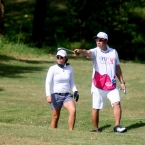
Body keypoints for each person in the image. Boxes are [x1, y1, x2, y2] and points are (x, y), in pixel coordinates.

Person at [73, 32, 127, 133]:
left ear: (106, 41)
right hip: (98, 84)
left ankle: (117, 127)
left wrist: (122, 82)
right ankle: (96, 129)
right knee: (96, 107)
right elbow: (87, 52)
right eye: (97, 40)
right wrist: (80, 51)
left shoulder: (113, 52)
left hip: (111, 84)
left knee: (117, 103)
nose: (98, 42)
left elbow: (117, 68)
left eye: (100, 40)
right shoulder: (95, 51)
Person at [45, 49, 79, 130]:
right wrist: (48, 95)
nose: (59, 59)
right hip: (55, 95)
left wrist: (75, 91)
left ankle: (71, 132)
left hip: (67, 95)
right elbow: (48, 83)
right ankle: (52, 135)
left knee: (73, 110)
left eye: (61, 57)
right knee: (55, 117)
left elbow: (72, 82)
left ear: (65, 58)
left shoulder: (70, 68)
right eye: (58, 57)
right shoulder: (52, 68)